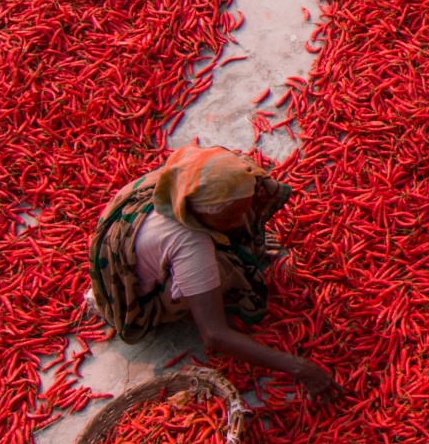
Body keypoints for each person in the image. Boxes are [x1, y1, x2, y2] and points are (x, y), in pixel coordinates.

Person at [85, 144, 343, 399]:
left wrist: (237, 218)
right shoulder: (190, 242)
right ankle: (190, 294)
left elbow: (235, 179)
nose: (239, 223)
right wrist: (298, 367)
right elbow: (214, 335)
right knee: (223, 269)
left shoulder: (185, 178)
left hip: (136, 234)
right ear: (195, 212)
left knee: (249, 183)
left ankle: (217, 246)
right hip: (135, 292)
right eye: (228, 219)